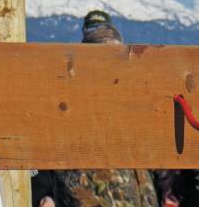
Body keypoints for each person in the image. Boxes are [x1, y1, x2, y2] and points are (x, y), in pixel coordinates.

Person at [32, 11, 160, 207]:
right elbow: (40, 163)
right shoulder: (67, 107)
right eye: (102, 56)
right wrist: (45, 194)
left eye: (116, 56)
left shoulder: (135, 105)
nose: (110, 67)